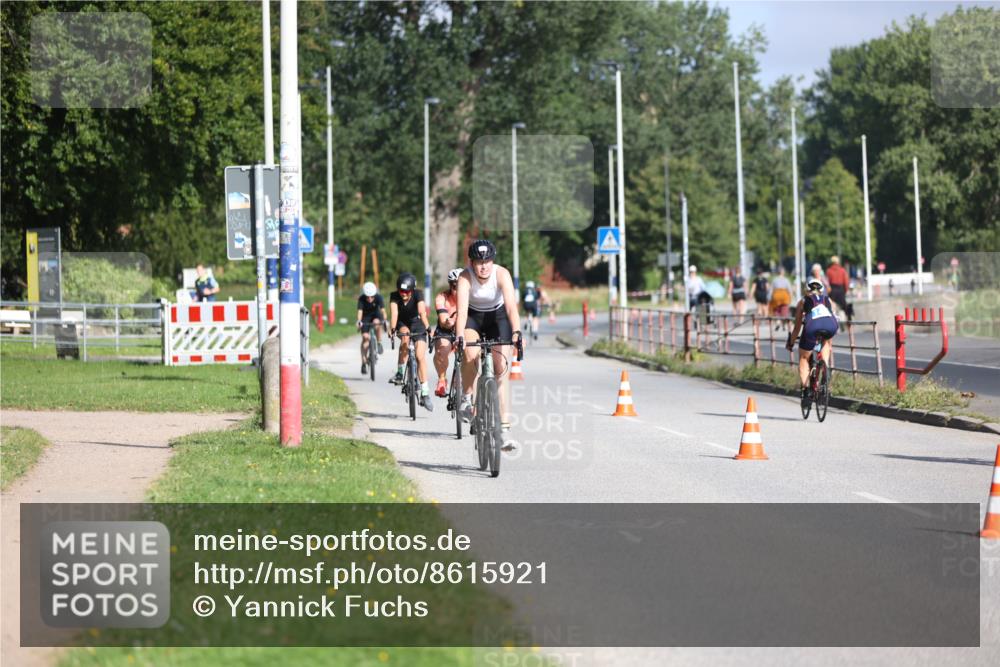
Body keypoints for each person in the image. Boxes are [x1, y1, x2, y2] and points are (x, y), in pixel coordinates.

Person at [454, 239, 522, 449]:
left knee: (501, 369)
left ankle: (503, 430)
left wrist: (517, 332)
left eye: (488, 261)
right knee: (471, 354)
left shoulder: (502, 274)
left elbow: (511, 307)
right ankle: (466, 396)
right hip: (473, 317)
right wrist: (459, 336)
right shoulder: (465, 277)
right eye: (478, 262)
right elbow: (462, 311)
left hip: (497, 318)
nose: (483, 266)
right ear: (472, 263)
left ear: (493, 261)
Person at [786, 278, 840, 404]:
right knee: (826, 341)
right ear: (822, 290)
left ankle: (806, 392)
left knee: (804, 358)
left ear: (807, 290)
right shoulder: (828, 300)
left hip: (812, 327)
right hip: (831, 326)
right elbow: (832, 316)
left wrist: (791, 343)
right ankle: (825, 366)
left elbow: (797, 327)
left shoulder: (804, 301)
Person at [388, 272, 433, 411]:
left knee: (420, 356)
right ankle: (401, 372)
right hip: (402, 323)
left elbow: (422, 312)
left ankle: (425, 393)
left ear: (412, 290)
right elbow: (394, 314)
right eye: (401, 291)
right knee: (405, 337)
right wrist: (392, 328)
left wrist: (427, 327)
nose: (404, 294)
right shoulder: (394, 296)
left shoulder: (418, 294)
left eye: (407, 292)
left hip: (417, 322)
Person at [432, 268, 462, 397]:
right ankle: (442, 380)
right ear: (450, 286)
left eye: (461, 286)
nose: (457, 290)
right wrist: (448, 322)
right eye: (455, 286)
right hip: (446, 330)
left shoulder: (472, 297)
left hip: (465, 329)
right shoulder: (442, 297)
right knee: (441, 352)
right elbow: (443, 319)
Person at [356, 281, 386, 375]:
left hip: (376, 315)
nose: (370, 298)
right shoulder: (361, 299)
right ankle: (364, 362)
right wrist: (359, 321)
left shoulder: (379, 297)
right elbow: (360, 312)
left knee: (377, 323)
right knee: (365, 338)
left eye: (372, 296)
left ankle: (379, 342)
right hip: (365, 317)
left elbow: (383, 311)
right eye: (367, 296)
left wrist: (384, 320)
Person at [825, 256, 852, 321]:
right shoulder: (842, 270)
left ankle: (830, 320)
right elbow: (846, 282)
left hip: (832, 290)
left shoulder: (828, 271)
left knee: (830, 306)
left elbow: (827, 283)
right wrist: (845, 291)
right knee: (845, 306)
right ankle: (849, 319)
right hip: (840, 290)